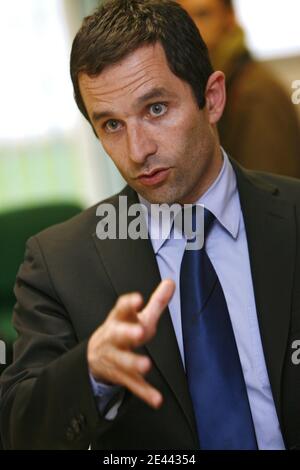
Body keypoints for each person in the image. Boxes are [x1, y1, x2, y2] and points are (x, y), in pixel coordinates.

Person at [0, 0, 300, 450]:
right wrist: (91, 371)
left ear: (211, 99)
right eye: (112, 124)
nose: (138, 150)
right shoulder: (58, 265)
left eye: (156, 109)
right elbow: (19, 429)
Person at [179, 0, 300, 177]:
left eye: (202, 15)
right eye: (184, 18)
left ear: (229, 17)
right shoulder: (218, 81)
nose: (191, 28)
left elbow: (269, 192)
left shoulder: (255, 94)